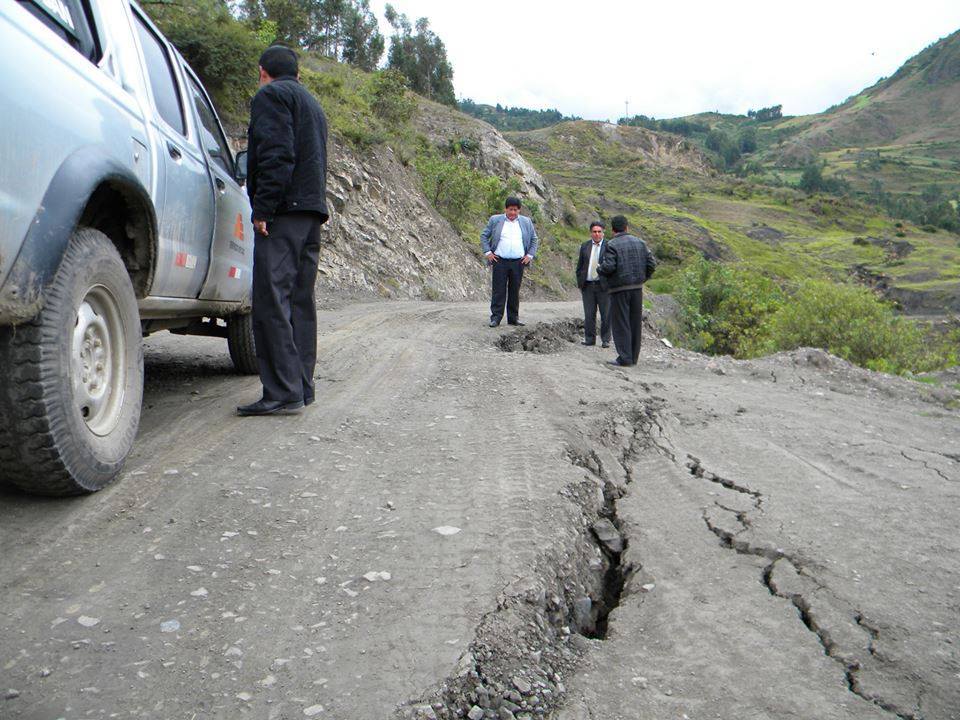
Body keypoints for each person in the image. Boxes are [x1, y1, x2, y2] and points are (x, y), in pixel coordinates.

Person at [237, 45, 329, 417]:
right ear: (299, 74)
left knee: (271, 300)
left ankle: (280, 392)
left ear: (262, 72)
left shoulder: (271, 95)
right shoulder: (313, 106)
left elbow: (277, 154)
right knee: (299, 303)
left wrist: (264, 208)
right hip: (310, 214)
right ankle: (300, 387)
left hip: (284, 213)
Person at [597, 215, 657, 367]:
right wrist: (643, 278)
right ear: (627, 227)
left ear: (612, 229)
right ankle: (633, 357)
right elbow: (651, 264)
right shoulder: (640, 243)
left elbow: (609, 266)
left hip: (619, 289)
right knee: (635, 322)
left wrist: (600, 269)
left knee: (621, 323)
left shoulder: (612, 244)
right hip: (637, 288)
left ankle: (624, 357)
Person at [480, 197, 539, 327]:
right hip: (499, 260)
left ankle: (513, 318)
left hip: (518, 262)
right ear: (505, 209)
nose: (513, 213)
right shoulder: (495, 220)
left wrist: (530, 255)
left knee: (514, 290)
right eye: (510, 209)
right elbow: (484, 236)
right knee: (498, 290)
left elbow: (534, 239)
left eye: (516, 210)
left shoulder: (526, 222)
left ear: (519, 210)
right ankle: (496, 318)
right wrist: (488, 252)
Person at [575, 221, 611, 348]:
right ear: (591, 233)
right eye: (594, 232)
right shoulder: (585, 246)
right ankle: (589, 339)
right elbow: (580, 266)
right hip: (588, 285)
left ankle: (606, 339)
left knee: (606, 314)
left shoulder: (609, 246)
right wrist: (580, 281)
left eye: (599, 232)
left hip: (604, 286)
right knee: (589, 314)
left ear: (603, 233)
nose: (597, 234)